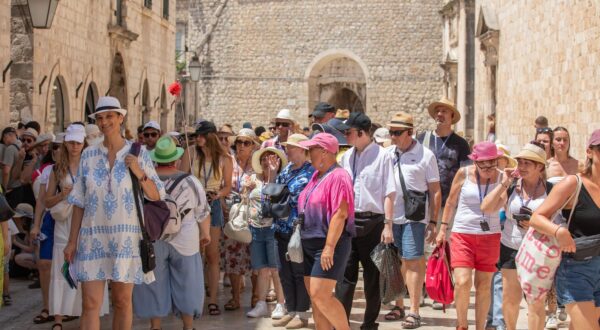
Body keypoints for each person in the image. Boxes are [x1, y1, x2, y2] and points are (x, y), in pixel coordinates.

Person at [64, 96, 164, 330]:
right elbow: (79, 201)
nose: (104, 121)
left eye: (110, 116)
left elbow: (156, 194)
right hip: (92, 237)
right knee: (89, 303)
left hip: (125, 239)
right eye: (100, 117)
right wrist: (71, 242)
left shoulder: (138, 153)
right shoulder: (88, 156)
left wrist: (138, 171)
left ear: (121, 117)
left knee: (121, 301)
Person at [133, 136, 211, 330]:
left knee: (153, 281)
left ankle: (156, 326)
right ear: (176, 159)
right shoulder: (191, 181)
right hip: (186, 239)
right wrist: (205, 234)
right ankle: (188, 325)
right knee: (188, 281)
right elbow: (202, 211)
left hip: (154, 237)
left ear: (156, 159)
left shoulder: (146, 180)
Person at [530, 129, 600, 330]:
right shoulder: (573, 183)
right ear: (589, 152)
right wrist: (559, 232)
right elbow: (537, 217)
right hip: (577, 269)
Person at [481, 142, 551, 330]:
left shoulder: (551, 190)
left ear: (540, 167)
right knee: (510, 299)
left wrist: (536, 223)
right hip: (511, 247)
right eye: (520, 162)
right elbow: (486, 207)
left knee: (536, 302)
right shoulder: (511, 187)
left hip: (537, 250)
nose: (522, 166)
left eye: (528, 163)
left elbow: (559, 221)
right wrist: (505, 182)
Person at [337, 112, 396, 330]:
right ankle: (341, 323)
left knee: (372, 278)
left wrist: (388, 225)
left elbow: (390, 192)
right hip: (349, 223)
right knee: (345, 276)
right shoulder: (346, 157)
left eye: (348, 132)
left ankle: (369, 324)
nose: (345, 135)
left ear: (361, 132)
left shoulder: (383, 157)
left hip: (374, 224)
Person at [436, 142, 504, 330]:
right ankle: (462, 325)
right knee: (463, 281)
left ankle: (480, 327)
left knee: (483, 286)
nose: (489, 168)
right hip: (462, 233)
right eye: (484, 164)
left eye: (493, 163)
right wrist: (442, 229)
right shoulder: (463, 173)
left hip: (490, 236)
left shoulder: (502, 178)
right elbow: (450, 202)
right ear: (475, 162)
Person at [46, 124, 108, 330]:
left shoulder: (90, 165)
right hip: (64, 222)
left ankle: (86, 314)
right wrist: (63, 194)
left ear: (84, 144)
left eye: (78, 143)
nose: (74, 146)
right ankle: (58, 318)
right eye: (71, 142)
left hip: (86, 223)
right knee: (61, 268)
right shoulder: (57, 169)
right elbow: (46, 202)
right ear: (65, 143)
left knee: (86, 269)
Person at [384, 112, 441, 328]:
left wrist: (434, 222)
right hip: (391, 217)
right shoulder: (388, 154)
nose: (393, 137)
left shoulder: (426, 155)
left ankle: (414, 310)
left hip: (414, 217)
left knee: (413, 260)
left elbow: (435, 190)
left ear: (410, 132)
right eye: (391, 132)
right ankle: (398, 305)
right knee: (394, 262)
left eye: (397, 133)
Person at [297, 133, 355, 330]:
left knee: (321, 296)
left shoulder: (339, 176)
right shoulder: (316, 175)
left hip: (328, 244)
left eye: (311, 149)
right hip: (309, 243)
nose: (308, 153)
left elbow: (341, 213)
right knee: (316, 300)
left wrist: (329, 247)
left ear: (324, 152)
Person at [180, 120, 232, 316]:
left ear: (210, 136)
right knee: (193, 254)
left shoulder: (225, 158)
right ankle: (192, 298)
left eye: (201, 135)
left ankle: (211, 300)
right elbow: (181, 177)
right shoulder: (190, 153)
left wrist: (216, 195)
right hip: (192, 205)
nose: (197, 138)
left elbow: (227, 186)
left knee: (211, 254)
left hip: (212, 204)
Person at [272, 134, 314, 329]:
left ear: (302, 150)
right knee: (285, 272)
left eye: (291, 147)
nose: (287, 150)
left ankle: (303, 313)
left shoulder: (311, 172)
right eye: (287, 147)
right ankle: (291, 310)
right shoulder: (285, 170)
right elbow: (275, 194)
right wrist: (272, 176)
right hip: (281, 227)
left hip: (299, 228)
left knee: (299, 272)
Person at [246, 146, 288, 318]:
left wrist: (272, 175)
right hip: (256, 228)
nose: (267, 162)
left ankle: (281, 303)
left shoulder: (281, 179)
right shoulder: (254, 179)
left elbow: (274, 197)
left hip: (273, 228)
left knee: (275, 268)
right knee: (261, 269)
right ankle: (261, 303)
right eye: (264, 158)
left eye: (271, 158)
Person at [223, 129, 258, 311]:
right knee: (233, 257)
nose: (241, 146)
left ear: (253, 146)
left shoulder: (258, 166)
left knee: (254, 258)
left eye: (246, 143)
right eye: (239, 142)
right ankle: (235, 298)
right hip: (233, 215)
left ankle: (255, 296)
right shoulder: (228, 162)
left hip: (253, 216)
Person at [29, 133, 63, 324]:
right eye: (55, 147)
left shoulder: (79, 168)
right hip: (51, 219)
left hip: (70, 218)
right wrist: (36, 224)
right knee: (44, 263)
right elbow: (41, 201)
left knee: (67, 265)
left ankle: (66, 306)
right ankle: (47, 306)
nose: (57, 150)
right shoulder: (48, 171)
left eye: (60, 147)